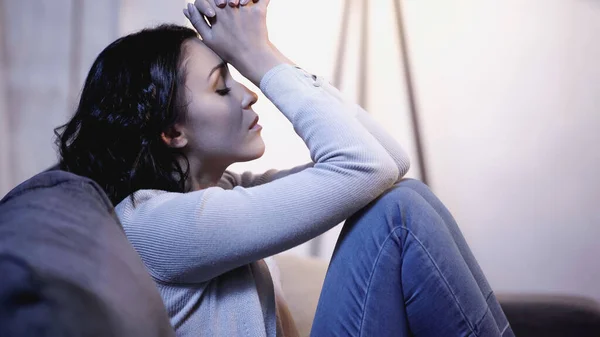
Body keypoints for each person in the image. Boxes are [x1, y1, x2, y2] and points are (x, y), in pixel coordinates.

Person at [54, 0, 513, 335]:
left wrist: (267, 54)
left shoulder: (222, 193)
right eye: (222, 87)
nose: (250, 94)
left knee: (403, 199)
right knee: (400, 214)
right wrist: (259, 56)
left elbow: (387, 159)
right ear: (172, 133)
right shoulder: (155, 223)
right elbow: (367, 166)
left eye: (240, 78)